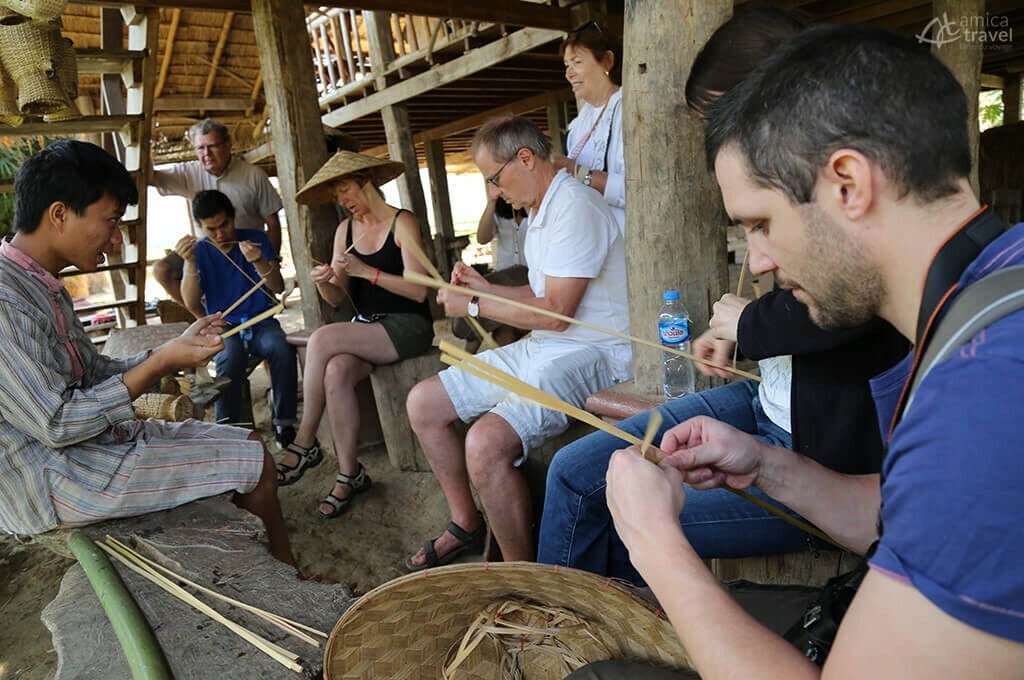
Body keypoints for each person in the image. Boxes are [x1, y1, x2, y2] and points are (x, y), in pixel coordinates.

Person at [574, 24, 1024, 679]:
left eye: (761, 222)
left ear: (847, 183)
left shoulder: (985, 392)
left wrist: (654, 541)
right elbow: (907, 515)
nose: (758, 261)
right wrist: (766, 465)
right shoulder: (990, 291)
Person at [537, 4, 908, 583]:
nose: (759, 258)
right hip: (766, 407)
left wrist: (749, 323)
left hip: (818, 456)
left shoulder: (861, 210)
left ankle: (606, 648)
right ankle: (574, 643)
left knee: (617, 512)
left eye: (724, 116)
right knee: (575, 472)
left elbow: (845, 308)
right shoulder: (804, 188)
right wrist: (737, 328)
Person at [0, 140, 294, 565]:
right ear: (59, 214)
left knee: (251, 440)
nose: (116, 239)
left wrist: (172, 351)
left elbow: (96, 370)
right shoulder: (8, 299)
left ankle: (282, 571)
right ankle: (285, 576)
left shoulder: (42, 284)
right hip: (50, 477)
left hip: (86, 445)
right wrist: (160, 361)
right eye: (110, 221)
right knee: (253, 460)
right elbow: (57, 424)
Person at [404, 116, 631, 568]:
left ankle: (521, 571)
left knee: (485, 443)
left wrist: (472, 307)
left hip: (598, 352)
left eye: (495, 178)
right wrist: (483, 290)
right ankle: (466, 522)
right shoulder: (540, 213)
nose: (494, 191)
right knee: (423, 403)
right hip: (547, 345)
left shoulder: (576, 207)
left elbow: (559, 312)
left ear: (525, 159)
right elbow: (541, 295)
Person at [278, 151, 434, 519]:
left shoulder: (402, 222)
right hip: (368, 326)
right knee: (336, 371)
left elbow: (419, 292)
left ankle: (304, 442)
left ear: (366, 182)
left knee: (322, 340)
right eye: (336, 195)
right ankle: (350, 474)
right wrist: (324, 284)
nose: (342, 200)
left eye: (345, 189)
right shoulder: (344, 230)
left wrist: (367, 272)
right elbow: (338, 300)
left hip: (408, 324)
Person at [175, 189, 297, 445]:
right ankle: (227, 433)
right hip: (224, 326)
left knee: (281, 347)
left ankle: (284, 423)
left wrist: (260, 261)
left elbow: (276, 287)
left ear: (233, 217)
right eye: (211, 229)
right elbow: (191, 302)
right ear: (201, 228)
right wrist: (189, 264)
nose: (220, 234)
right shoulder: (199, 251)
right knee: (230, 358)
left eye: (225, 225)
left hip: (262, 321)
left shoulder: (254, 239)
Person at [151, 119, 284, 310]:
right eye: (200, 148)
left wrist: (271, 262)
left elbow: (273, 224)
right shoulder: (188, 172)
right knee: (161, 269)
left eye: (212, 146)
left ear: (228, 145)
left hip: (245, 250)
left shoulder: (253, 176)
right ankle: (202, 318)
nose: (207, 154)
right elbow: (150, 178)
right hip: (206, 251)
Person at [551, 21, 626, 234]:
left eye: (577, 62)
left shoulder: (629, 110)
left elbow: (638, 188)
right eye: (567, 65)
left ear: (607, 61)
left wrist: (575, 170)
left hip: (630, 241)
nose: (569, 74)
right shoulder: (578, 124)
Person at [454, 195, 530, 352]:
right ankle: (471, 356)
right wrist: (491, 202)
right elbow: (482, 239)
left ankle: (467, 355)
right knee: (502, 324)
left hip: (529, 280)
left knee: (499, 318)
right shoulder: (499, 211)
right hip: (503, 278)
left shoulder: (534, 208)